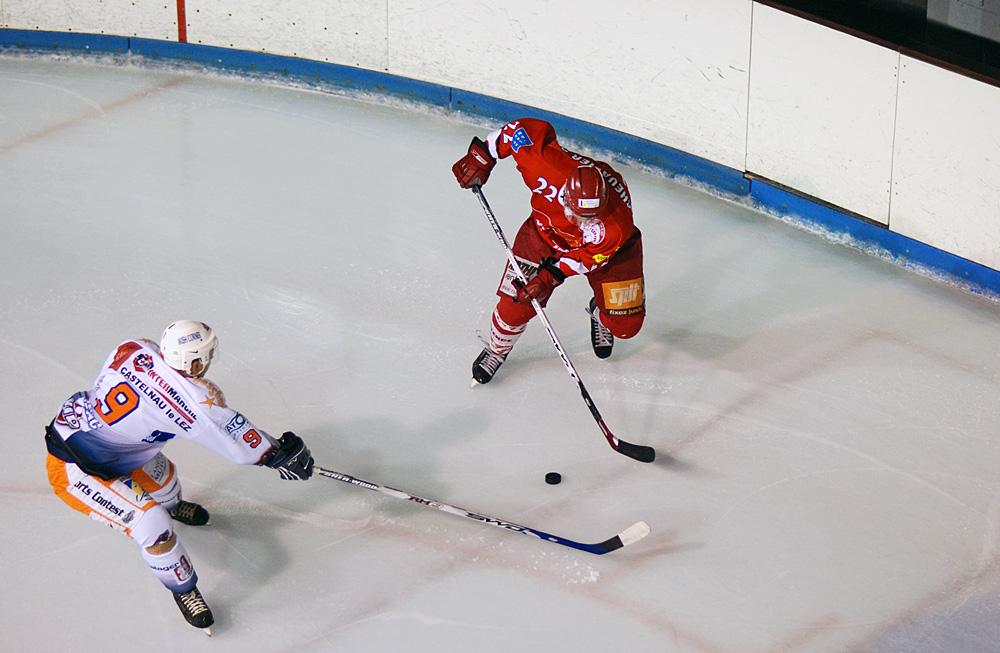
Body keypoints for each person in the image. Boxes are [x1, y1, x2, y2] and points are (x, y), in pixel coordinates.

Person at [43, 320, 314, 634]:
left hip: (101, 438)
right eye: (208, 354)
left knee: (166, 482)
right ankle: (184, 589)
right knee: (153, 525)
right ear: (195, 361)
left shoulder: (134, 347)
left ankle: (173, 506)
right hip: (75, 467)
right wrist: (277, 454)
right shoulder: (199, 401)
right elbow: (240, 443)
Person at [452, 118, 646, 383]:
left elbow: (587, 259)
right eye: (577, 215)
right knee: (515, 306)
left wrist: (549, 276)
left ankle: (601, 311)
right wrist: (483, 155)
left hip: (610, 254)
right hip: (542, 236)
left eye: (589, 219)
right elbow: (516, 131)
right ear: (565, 195)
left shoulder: (614, 228)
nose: (581, 224)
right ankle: (497, 350)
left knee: (625, 325)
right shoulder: (544, 166)